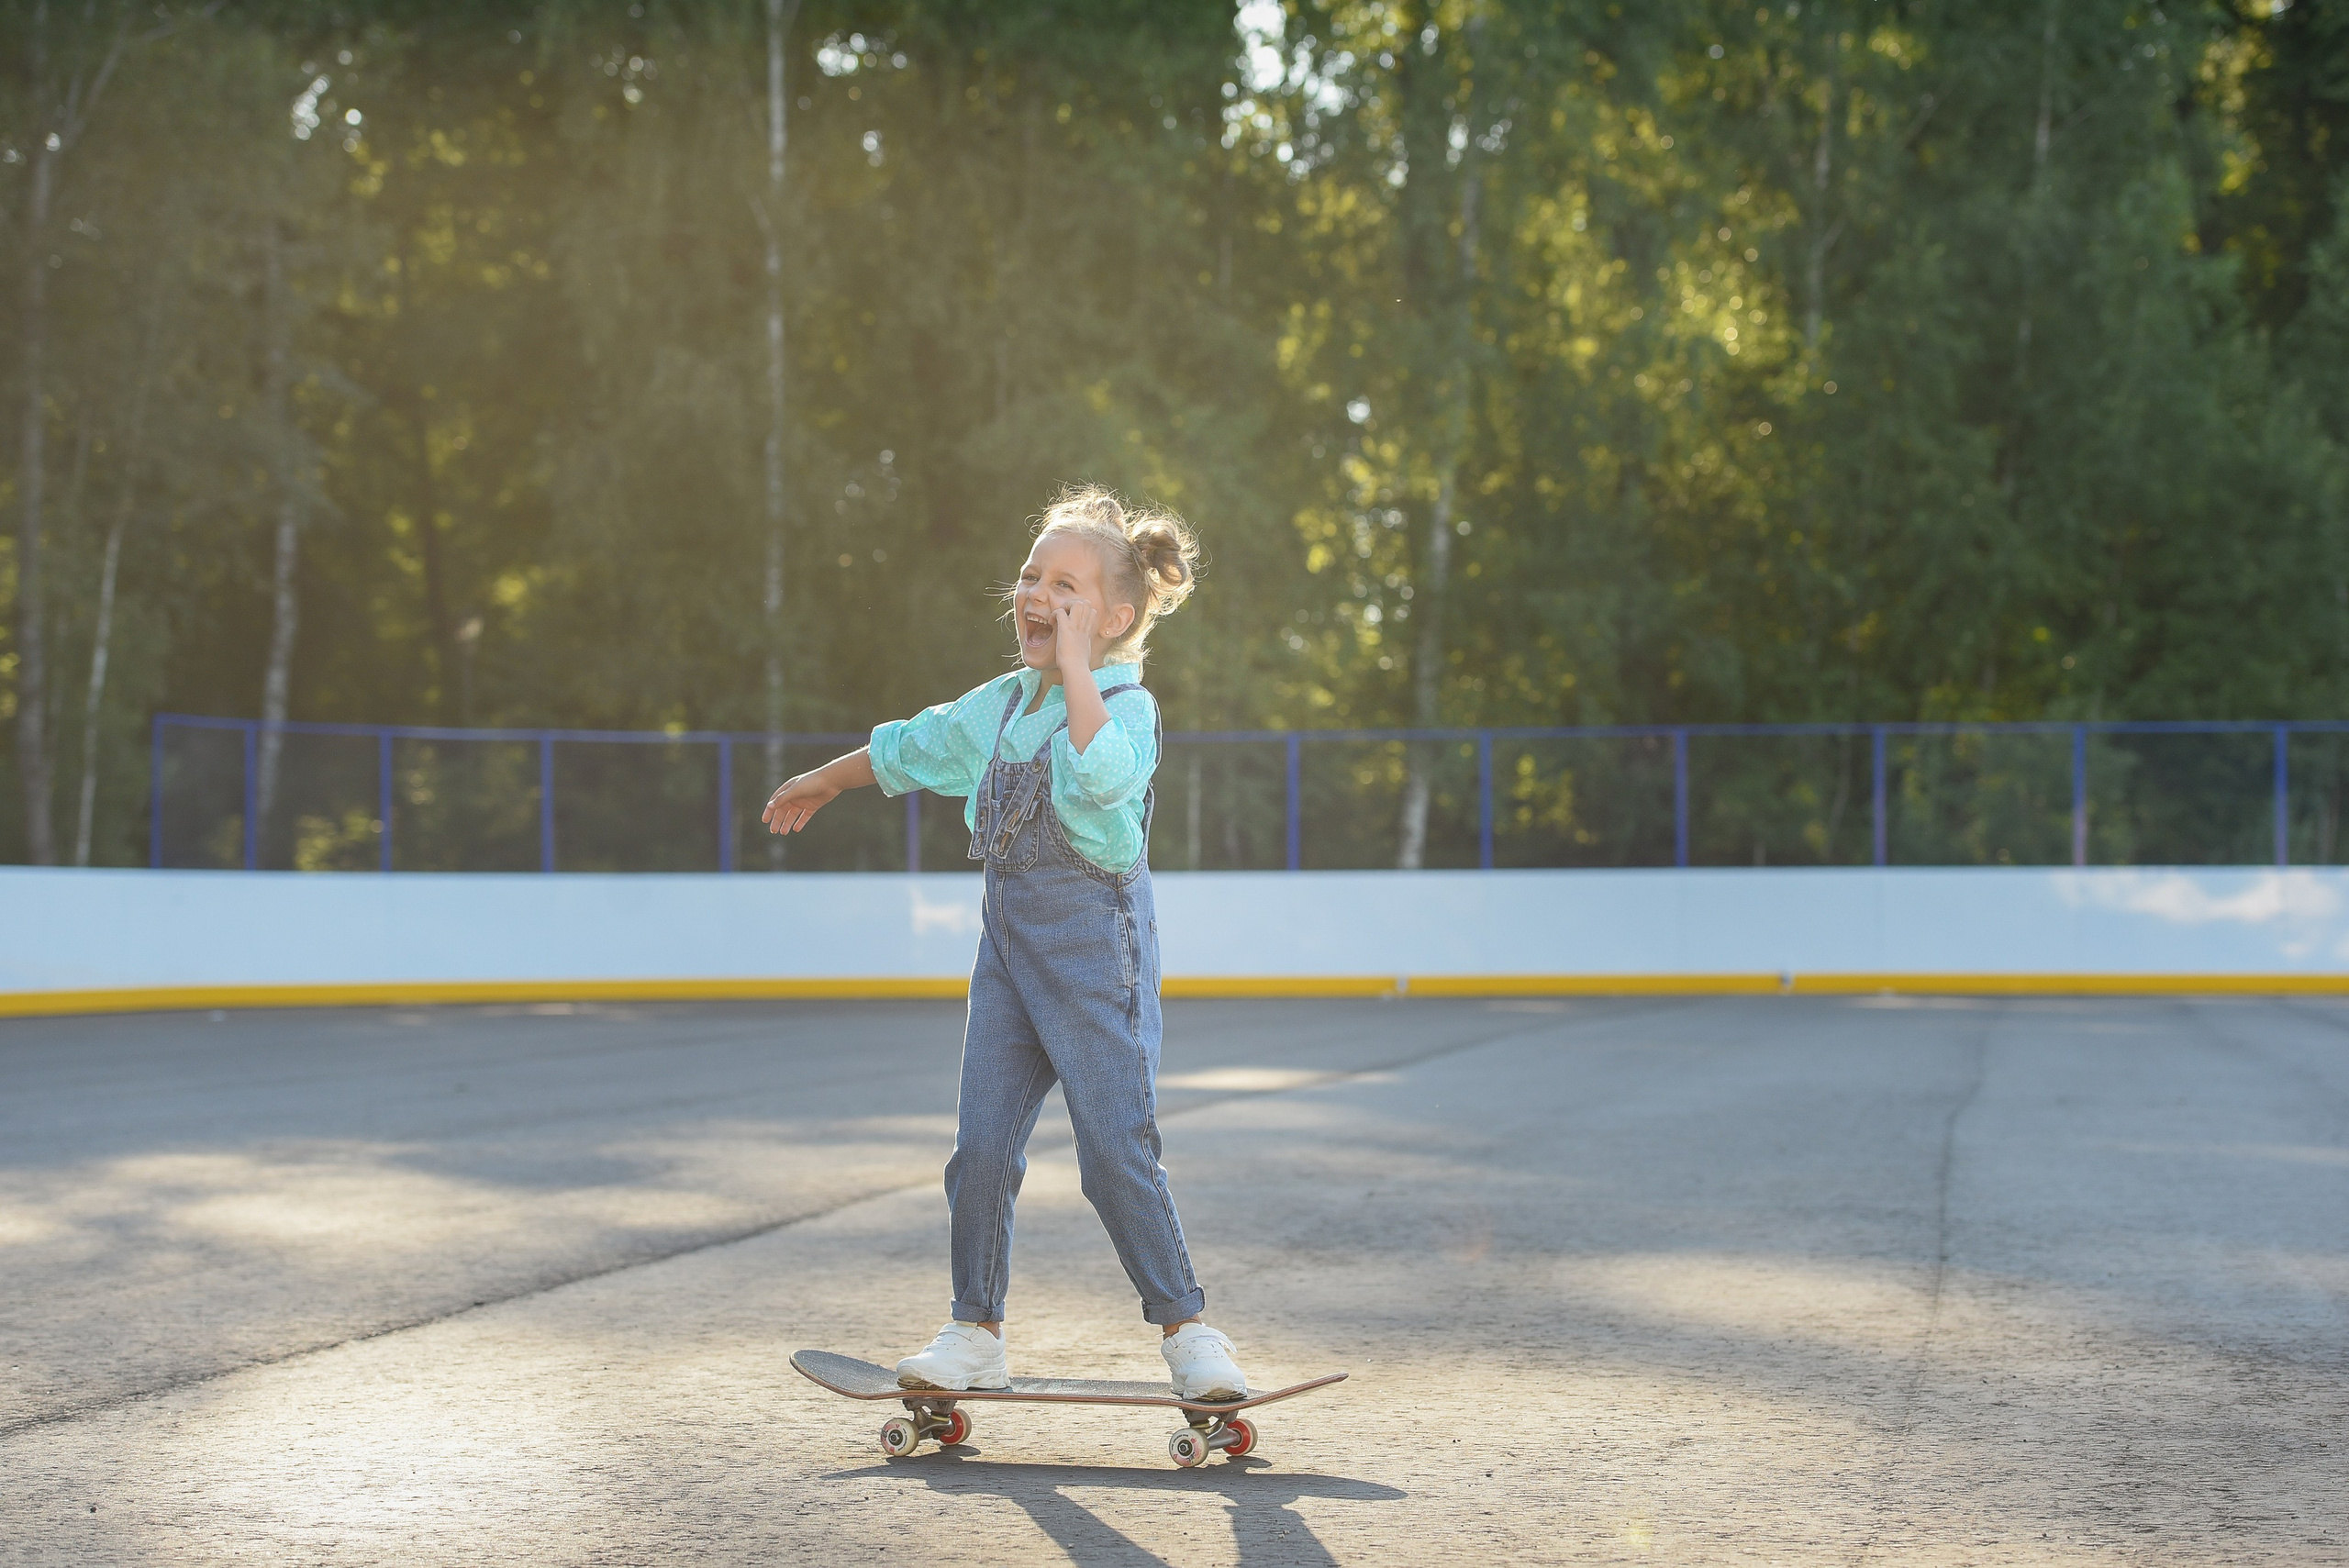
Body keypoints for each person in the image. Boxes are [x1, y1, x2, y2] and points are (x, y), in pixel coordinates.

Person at [760, 485, 1248, 1401]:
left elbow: (1102, 781)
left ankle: (1189, 1331)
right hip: (1009, 965)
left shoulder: (1122, 710)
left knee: (1113, 1153)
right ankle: (974, 1327)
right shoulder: (999, 705)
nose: (1035, 592)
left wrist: (1073, 667)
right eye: (1031, 575)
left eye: (1064, 585)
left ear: (1115, 617)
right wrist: (825, 778)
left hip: (1100, 961)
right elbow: (918, 744)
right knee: (979, 1151)